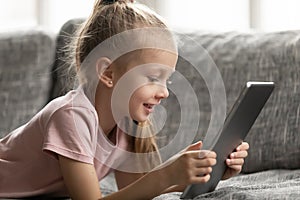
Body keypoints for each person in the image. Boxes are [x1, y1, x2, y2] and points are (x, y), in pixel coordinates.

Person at [0, 0, 249, 199]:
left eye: (167, 80)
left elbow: (134, 193)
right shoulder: (71, 116)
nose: (164, 92)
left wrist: (203, 173)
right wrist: (164, 175)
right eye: (153, 77)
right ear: (108, 74)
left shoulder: (126, 125)